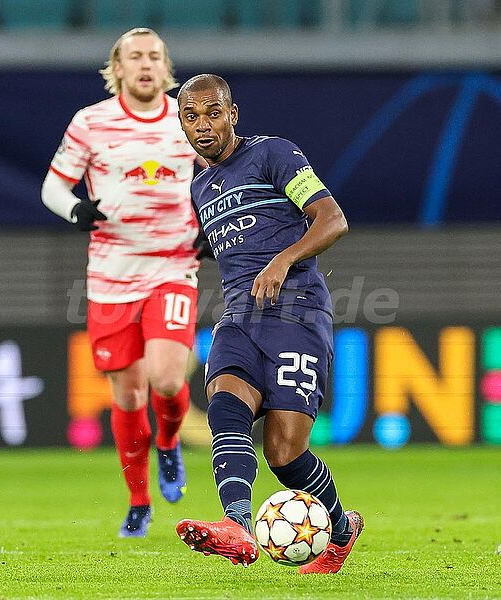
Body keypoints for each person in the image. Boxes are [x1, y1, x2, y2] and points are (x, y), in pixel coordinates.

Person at [174, 74, 362, 574]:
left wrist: (282, 260)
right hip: (239, 316)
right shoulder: (200, 186)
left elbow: (332, 219)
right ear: (182, 126)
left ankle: (341, 529)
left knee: (285, 453)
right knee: (225, 403)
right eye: (191, 116)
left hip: (298, 312)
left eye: (213, 112)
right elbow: (216, 247)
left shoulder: (273, 154)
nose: (203, 124)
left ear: (232, 115)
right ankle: (235, 524)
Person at [41, 28, 211, 538]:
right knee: (130, 393)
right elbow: (53, 185)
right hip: (111, 276)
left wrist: (213, 225)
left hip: (173, 266)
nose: (145, 64)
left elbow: (220, 176)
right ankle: (139, 501)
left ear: (166, 67)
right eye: (135, 56)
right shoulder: (90, 122)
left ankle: (168, 443)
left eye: (154, 56)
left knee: (167, 378)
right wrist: (76, 209)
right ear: (117, 67)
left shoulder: (188, 119)